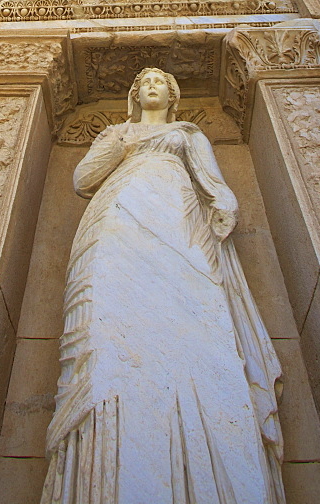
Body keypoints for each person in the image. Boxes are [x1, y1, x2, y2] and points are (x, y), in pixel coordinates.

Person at [41, 68, 285, 504]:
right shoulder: (117, 134)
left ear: (173, 97)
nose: (151, 87)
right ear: (134, 96)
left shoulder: (188, 134)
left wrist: (225, 206)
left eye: (160, 83)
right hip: (115, 219)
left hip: (178, 220)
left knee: (197, 327)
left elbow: (215, 185)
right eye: (143, 84)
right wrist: (119, 143)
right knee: (106, 332)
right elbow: (82, 181)